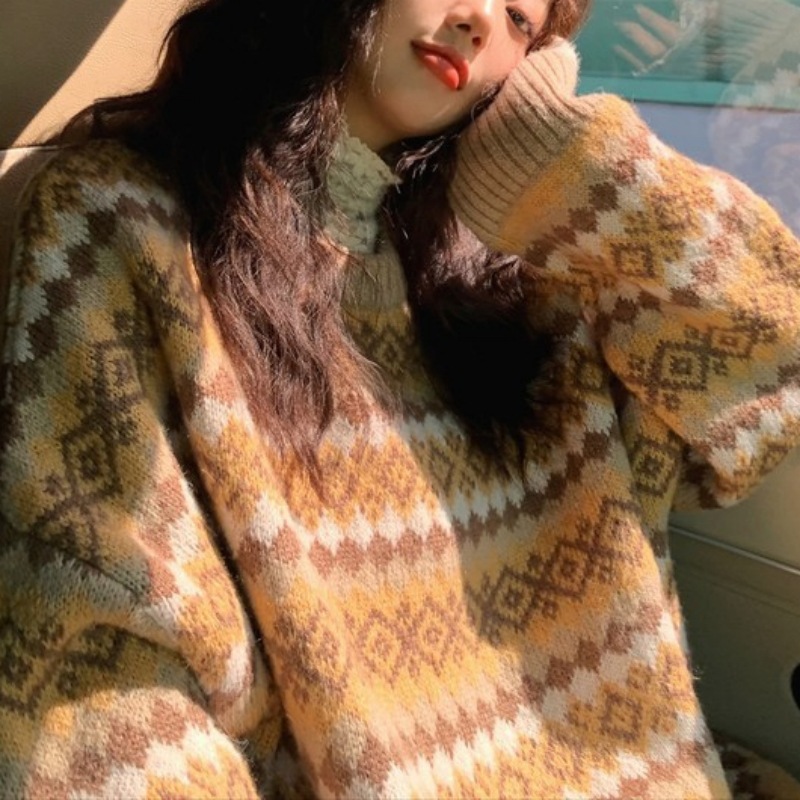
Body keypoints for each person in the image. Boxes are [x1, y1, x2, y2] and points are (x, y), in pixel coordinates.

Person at [1, 0, 799, 796]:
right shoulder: (122, 222)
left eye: (522, 22)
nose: (481, 20)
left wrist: (586, 165)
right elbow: (102, 674)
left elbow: (772, 384)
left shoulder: (524, 282)